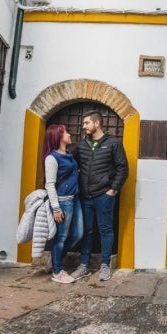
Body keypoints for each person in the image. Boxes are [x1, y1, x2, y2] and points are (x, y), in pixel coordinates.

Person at [70, 111, 128, 282]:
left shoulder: (113, 143)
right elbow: (71, 166)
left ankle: (104, 265)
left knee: (106, 230)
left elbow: (122, 168)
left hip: (104, 195)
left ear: (97, 124)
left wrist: (113, 189)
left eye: (87, 123)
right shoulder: (81, 146)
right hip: (86, 196)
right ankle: (84, 266)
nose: (84, 126)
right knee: (86, 231)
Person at [42, 124, 83, 283]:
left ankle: (54, 259)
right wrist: (56, 208)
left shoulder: (68, 154)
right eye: (66, 132)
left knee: (78, 234)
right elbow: (50, 184)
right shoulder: (52, 158)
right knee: (61, 237)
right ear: (58, 136)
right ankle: (57, 272)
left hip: (75, 198)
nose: (69, 134)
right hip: (63, 201)